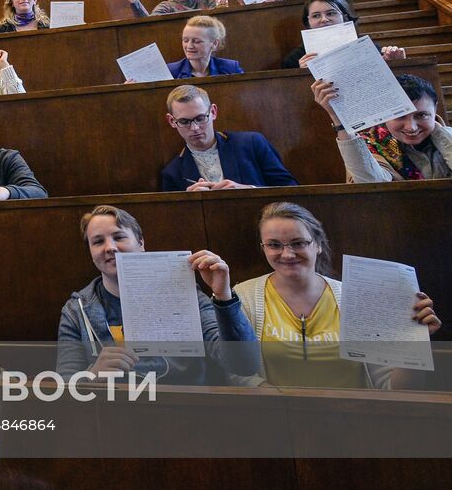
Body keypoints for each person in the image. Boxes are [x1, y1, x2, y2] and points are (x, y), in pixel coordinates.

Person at [234, 202, 439, 388]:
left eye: (298, 243)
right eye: (274, 245)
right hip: (278, 420)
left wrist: (416, 343)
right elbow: (236, 373)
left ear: (318, 245)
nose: (287, 254)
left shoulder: (358, 297)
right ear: (263, 248)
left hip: (354, 420)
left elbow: (392, 388)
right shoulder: (242, 297)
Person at [55, 206, 258, 384]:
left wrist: (223, 296)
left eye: (119, 237)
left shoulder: (185, 294)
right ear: (90, 252)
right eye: (98, 241)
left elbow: (244, 364)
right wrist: (91, 377)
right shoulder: (76, 310)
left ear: (141, 242)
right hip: (115, 416)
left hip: (188, 412)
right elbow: (64, 385)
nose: (110, 247)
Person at [314, 73, 449, 182]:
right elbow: (372, 184)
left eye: (422, 115)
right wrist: (338, 118)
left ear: (435, 108)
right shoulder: (371, 144)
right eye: (400, 116)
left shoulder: (446, 136)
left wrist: (438, 131)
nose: (411, 127)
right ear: (384, 113)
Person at [159, 85, 296, 191]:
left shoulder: (252, 143)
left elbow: (292, 190)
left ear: (213, 112)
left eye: (200, 118)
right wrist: (191, 204)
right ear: (171, 121)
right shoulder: (172, 173)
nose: (194, 128)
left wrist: (248, 190)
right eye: (184, 122)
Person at [282, 0, 405, 69]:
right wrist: (301, 73)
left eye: (331, 13)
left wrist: (394, 63)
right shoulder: (295, 60)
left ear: (345, 17)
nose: (324, 19)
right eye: (316, 16)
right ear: (308, 22)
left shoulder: (368, 47)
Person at [162, 16, 242, 80]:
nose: (189, 46)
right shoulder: (170, 71)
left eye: (196, 41)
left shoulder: (231, 68)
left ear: (214, 43)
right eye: (185, 40)